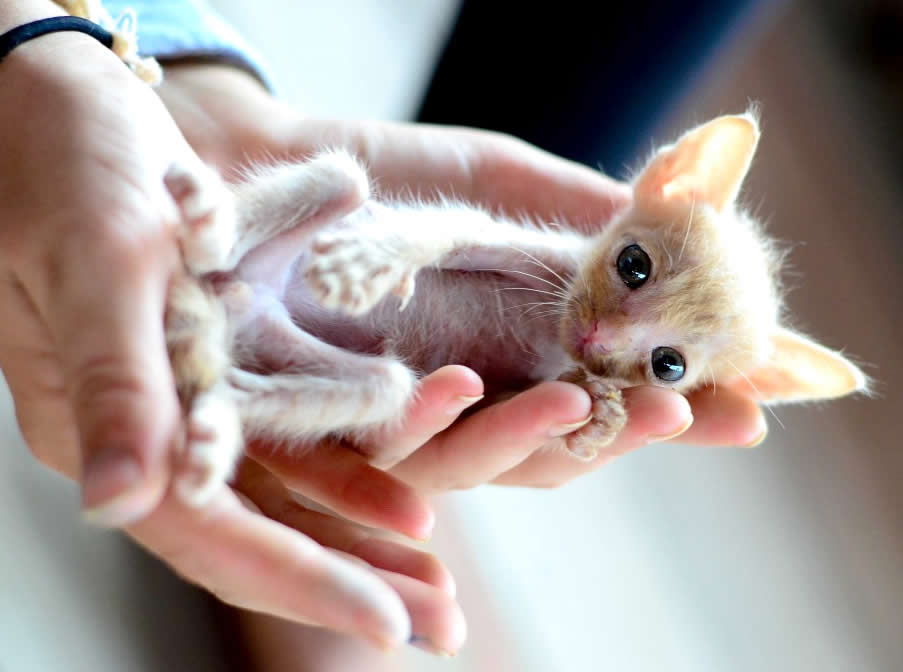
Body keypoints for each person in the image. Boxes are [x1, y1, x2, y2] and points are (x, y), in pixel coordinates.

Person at [0, 0, 767, 660]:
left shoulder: (590, 363)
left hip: (283, 344)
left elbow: (525, 406)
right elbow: (457, 233)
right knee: (339, 180)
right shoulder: (563, 259)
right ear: (666, 180)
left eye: (665, 364)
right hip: (286, 249)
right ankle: (217, 238)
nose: (605, 339)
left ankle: (223, 397)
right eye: (633, 270)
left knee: (385, 389)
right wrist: (389, 245)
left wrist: (590, 422)